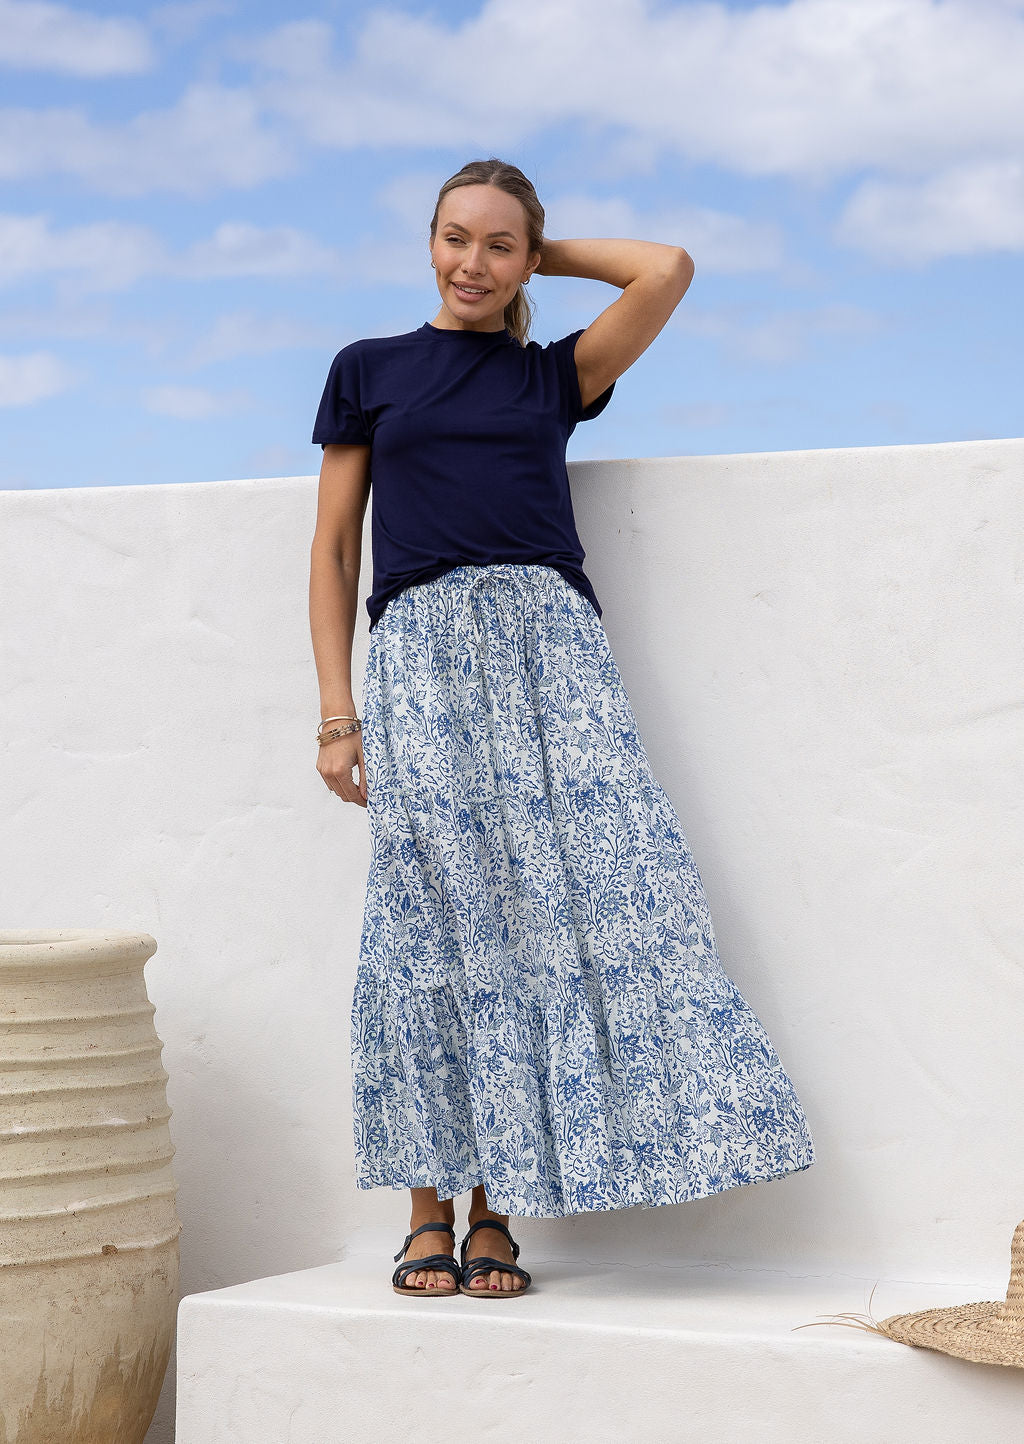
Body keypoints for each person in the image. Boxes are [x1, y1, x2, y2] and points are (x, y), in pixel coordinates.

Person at [308, 157, 816, 1299]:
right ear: (424, 241)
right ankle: (426, 1208)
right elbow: (336, 548)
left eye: (498, 245)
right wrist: (339, 714)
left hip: (554, 656)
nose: (471, 263)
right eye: (454, 237)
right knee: (429, 918)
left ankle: (498, 1214)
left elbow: (665, 268)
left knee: (561, 908)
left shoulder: (555, 377)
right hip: (425, 656)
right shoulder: (369, 370)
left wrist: (549, 249)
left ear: (526, 257)